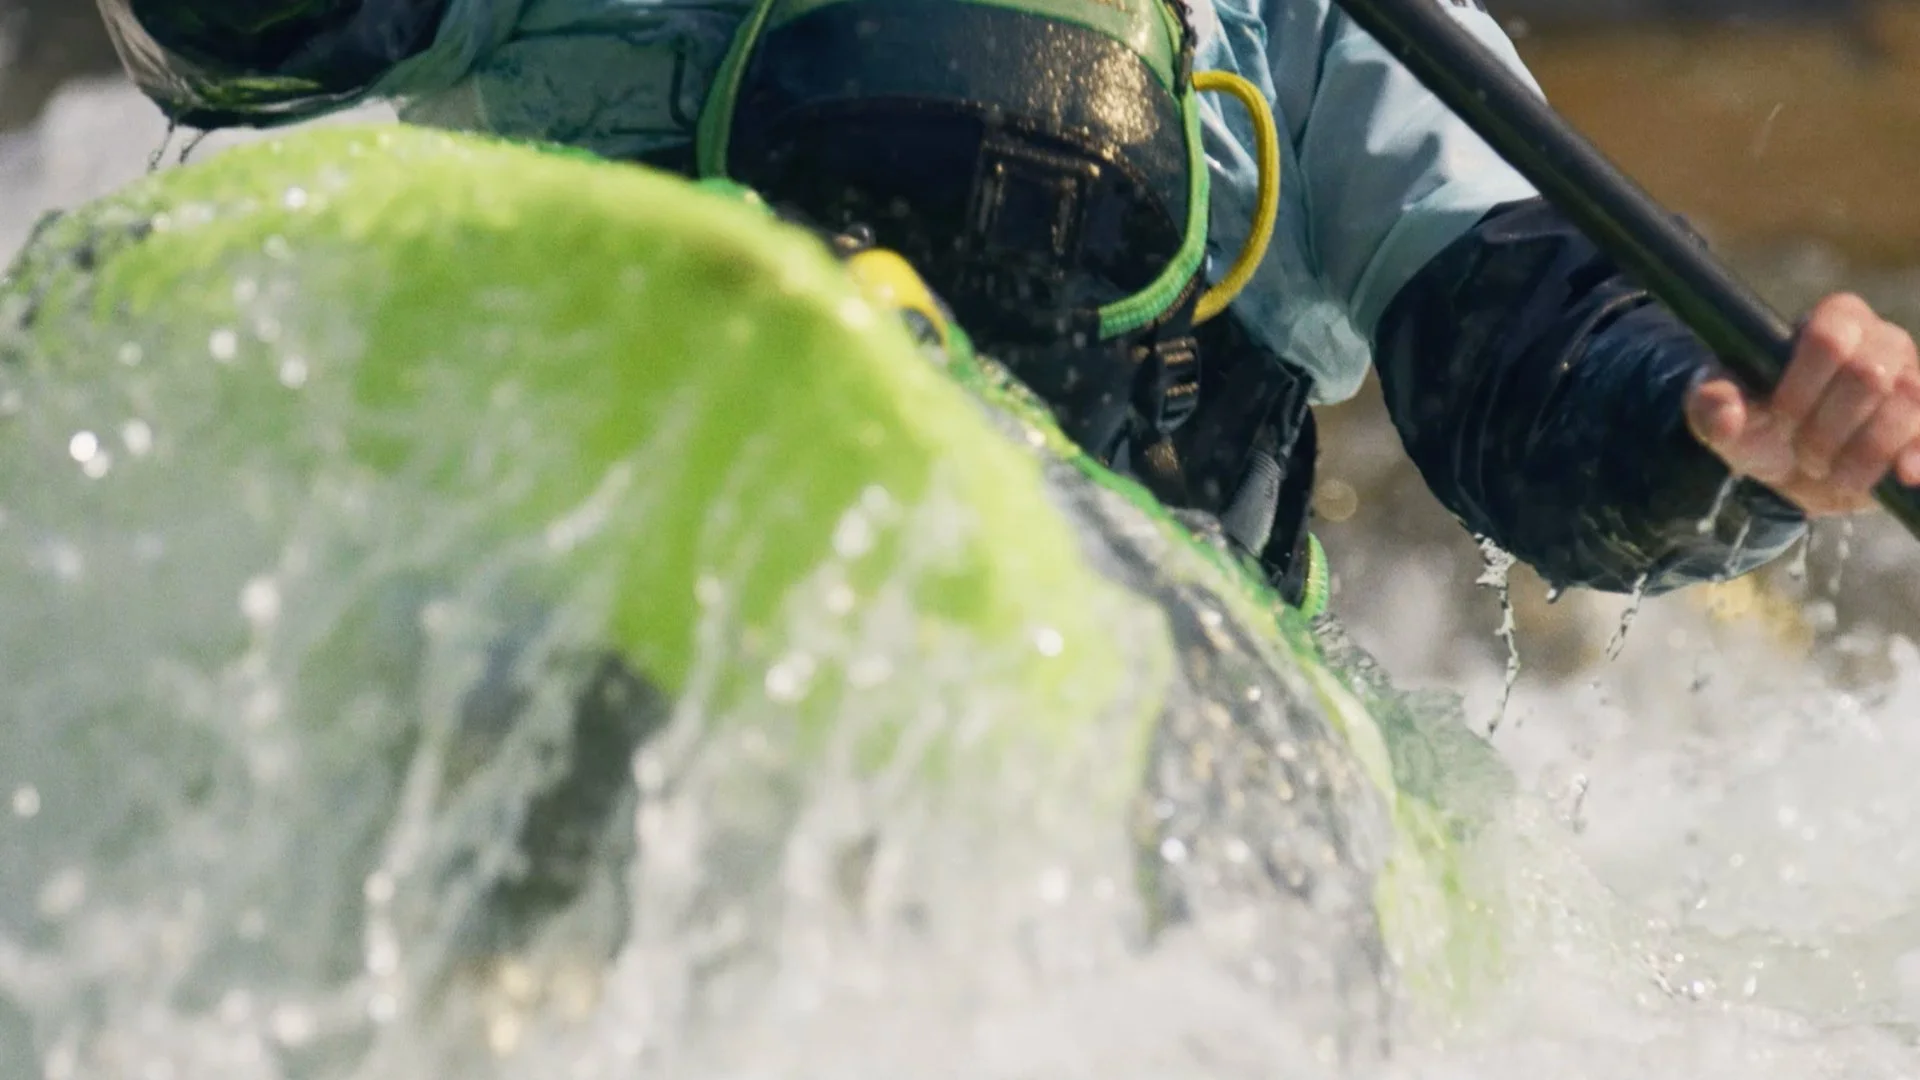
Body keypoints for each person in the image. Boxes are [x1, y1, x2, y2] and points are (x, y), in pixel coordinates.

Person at [93, 0, 1920, 607]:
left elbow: (1531, 347)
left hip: (1119, 631)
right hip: (578, 559)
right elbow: (227, 43)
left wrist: (1728, 440)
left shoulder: (1297, 29)